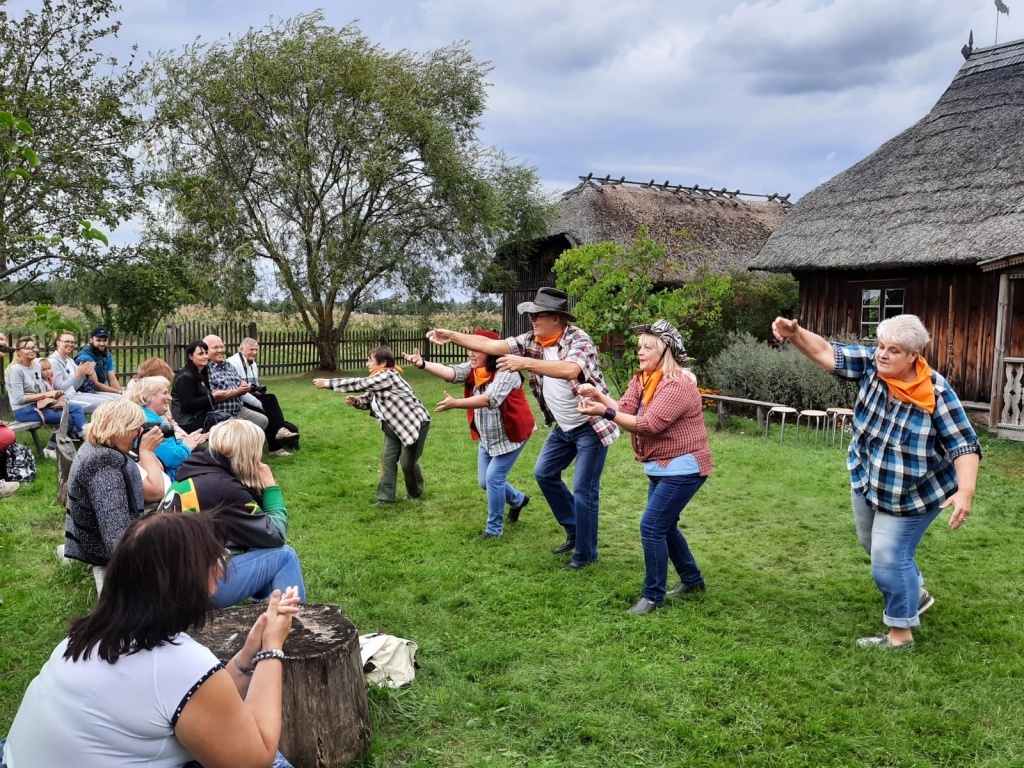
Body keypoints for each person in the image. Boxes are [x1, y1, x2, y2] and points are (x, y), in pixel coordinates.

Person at [3, 511, 300, 768]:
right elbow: (255, 759)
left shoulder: (83, 638)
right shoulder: (178, 664)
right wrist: (272, 649)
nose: (222, 566)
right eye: (214, 558)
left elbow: (195, 703)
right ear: (187, 580)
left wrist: (248, 656)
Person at [772, 314, 981, 650]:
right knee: (871, 544)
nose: (882, 354)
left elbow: (964, 444)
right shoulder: (873, 366)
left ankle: (900, 635)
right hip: (869, 479)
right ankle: (917, 593)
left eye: (893, 350)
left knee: (887, 559)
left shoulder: (936, 394)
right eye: (881, 346)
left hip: (914, 493)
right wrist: (796, 335)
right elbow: (828, 352)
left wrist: (966, 490)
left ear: (913, 356)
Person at [427, 287, 620, 571]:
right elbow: (492, 346)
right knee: (544, 473)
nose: (532, 320)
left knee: (584, 491)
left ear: (557, 318)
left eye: (538, 315)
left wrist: (525, 362)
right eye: (531, 315)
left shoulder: (579, 339)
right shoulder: (533, 339)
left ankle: (586, 554)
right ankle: (575, 529)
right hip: (563, 427)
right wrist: (452, 335)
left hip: (590, 425)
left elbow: (570, 370)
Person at [577, 320, 712, 613]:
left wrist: (604, 411)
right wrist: (598, 396)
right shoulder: (643, 379)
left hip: (684, 468)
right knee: (665, 526)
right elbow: (624, 410)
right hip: (662, 468)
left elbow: (648, 426)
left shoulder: (677, 385)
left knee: (651, 526)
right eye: (639, 346)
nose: (640, 352)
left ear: (666, 352)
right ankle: (692, 580)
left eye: (647, 347)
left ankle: (653, 596)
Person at [403, 330, 535, 539]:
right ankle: (518, 500)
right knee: (485, 482)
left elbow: (488, 399)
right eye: (469, 350)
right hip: (488, 438)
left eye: (477, 350)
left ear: (491, 351)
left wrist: (456, 404)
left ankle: (494, 529)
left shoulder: (506, 371)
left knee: (494, 479)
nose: (471, 354)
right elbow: (451, 372)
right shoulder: (476, 368)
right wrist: (422, 364)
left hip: (512, 436)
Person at [168, 419, 307, 609]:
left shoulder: (195, 474)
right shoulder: (222, 487)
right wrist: (271, 487)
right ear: (248, 453)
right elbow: (275, 534)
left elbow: (253, 531)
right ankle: (293, 625)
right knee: (284, 556)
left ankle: (260, 609)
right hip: (197, 589)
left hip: (173, 583)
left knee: (257, 545)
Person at [62, 400, 167, 593]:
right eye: (137, 428)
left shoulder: (95, 447)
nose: (139, 433)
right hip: (99, 548)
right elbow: (117, 539)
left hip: (90, 538)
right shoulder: (104, 466)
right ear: (122, 429)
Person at [313, 346, 431, 505]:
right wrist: (356, 401)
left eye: (370, 360)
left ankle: (415, 492)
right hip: (392, 427)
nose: (367, 363)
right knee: (387, 460)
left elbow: (360, 383)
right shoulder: (377, 380)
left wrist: (327, 383)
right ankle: (385, 498)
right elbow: (369, 399)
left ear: (382, 363)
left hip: (413, 425)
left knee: (407, 463)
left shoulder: (388, 376)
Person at [5, 336, 87, 458]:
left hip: (41, 404)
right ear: (18, 352)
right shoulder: (16, 370)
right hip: (24, 410)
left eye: (34, 347)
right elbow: (19, 399)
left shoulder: (37, 365)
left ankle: (87, 440)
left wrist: (54, 394)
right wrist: (46, 394)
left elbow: (44, 382)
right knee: (68, 419)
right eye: (27, 348)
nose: (32, 350)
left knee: (76, 408)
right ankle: (55, 446)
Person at [227, 337, 299, 457]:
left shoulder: (253, 363)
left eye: (256, 349)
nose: (254, 352)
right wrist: (259, 404)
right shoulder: (233, 363)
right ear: (241, 349)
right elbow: (239, 392)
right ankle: (277, 440)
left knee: (269, 401)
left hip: (250, 397)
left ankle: (278, 437)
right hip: (238, 400)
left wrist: (258, 392)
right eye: (251, 349)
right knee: (269, 403)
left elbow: (254, 385)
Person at [127, 376, 206, 481]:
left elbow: (164, 449)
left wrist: (186, 441)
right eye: (165, 393)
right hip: (169, 481)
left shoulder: (145, 416)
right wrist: (188, 446)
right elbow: (173, 458)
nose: (170, 398)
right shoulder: (151, 425)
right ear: (147, 397)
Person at [204, 335, 270, 433]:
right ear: (206, 350)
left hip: (239, 410)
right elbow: (212, 395)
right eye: (215, 347)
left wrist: (245, 386)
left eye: (222, 347)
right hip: (221, 413)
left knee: (262, 420)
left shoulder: (228, 365)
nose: (220, 350)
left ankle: (248, 443)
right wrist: (237, 392)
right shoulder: (205, 369)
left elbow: (240, 382)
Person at [48, 331, 119, 413]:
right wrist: (77, 374)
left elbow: (75, 387)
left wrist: (83, 374)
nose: (70, 344)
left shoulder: (69, 360)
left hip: (75, 394)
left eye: (72, 342)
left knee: (112, 400)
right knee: (107, 404)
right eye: (67, 341)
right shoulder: (53, 362)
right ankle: (100, 425)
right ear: (58, 343)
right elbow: (59, 389)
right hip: (63, 399)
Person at [172, 340, 218, 433]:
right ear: (191, 356)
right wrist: (213, 397)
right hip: (186, 422)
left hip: (200, 417)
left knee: (228, 419)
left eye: (206, 353)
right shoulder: (186, 377)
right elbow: (187, 405)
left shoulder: (201, 373)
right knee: (225, 426)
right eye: (201, 354)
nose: (205, 356)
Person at [74, 326, 122, 394]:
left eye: (104, 340)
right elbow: (95, 385)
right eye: (98, 340)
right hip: (86, 391)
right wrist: (118, 392)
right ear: (91, 340)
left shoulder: (107, 355)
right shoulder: (84, 357)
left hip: (101, 390)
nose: (102, 344)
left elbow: (112, 380)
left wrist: (123, 393)